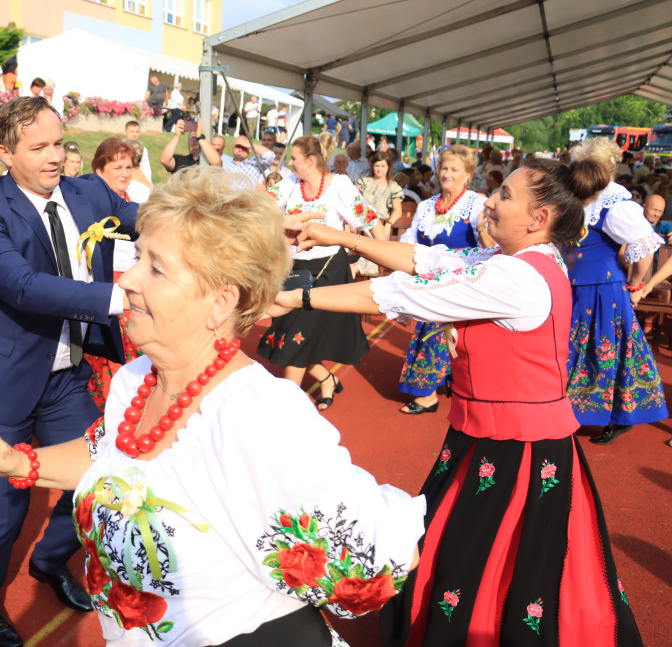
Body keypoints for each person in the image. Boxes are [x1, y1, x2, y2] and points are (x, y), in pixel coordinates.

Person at [0, 167, 425, 646]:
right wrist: (19, 461)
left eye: (155, 267)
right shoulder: (136, 380)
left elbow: (373, 563)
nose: (126, 280)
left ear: (219, 302)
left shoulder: (256, 413)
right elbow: (109, 454)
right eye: (136, 258)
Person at [273, 159, 645, 647]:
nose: (491, 200)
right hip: (492, 438)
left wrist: (296, 299)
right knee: (470, 550)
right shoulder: (521, 263)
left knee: (484, 556)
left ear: (538, 218)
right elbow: (426, 261)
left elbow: (406, 293)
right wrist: (345, 239)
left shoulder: (519, 278)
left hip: (516, 450)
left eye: (506, 196)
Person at [0, 96, 140, 647]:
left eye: (59, 143)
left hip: (65, 377)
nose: (56, 157)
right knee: (2, 513)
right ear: (5, 153)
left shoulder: (88, 191)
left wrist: (211, 223)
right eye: (40, 148)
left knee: (96, 485)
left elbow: (143, 219)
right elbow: (21, 286)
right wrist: (121, 298)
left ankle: (49, 562)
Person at [259, 135, 378, 410]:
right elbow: (260, 208)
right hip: (294, 269)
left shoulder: (339, 184)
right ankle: (326, 379)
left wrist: (387, 258)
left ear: (310, 161)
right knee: (295, 337)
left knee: (296, 339)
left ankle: (287, 407)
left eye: (294, 159)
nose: (289, 163)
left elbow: (367, 218)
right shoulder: (289, 184)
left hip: (327, 272)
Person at [564, 138, 667, 444]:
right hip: (574, 286)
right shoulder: (579, 195)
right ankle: (572, 412)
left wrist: (636, 285)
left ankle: (616, 416)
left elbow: (644, 246)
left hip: (602, 290)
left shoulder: (616, 201)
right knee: (578, 348)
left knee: (607, 351)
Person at [397, 145, 489, 414]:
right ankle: (428, 393)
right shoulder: (426, 206)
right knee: (431, 333)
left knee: (459, 340)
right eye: (444, 168)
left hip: (463, 283)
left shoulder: (476, 204)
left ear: (468, 174)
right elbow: (409, 240)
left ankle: (436, 390)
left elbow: (488, 246)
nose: (447, 174)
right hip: (430, 282)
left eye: (454, 169)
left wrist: (483, 227)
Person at [81, 138, 147, 412]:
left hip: (133, 288)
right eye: (117, 167)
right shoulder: (84, 201)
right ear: (99, 170)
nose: (124, 173)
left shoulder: (141, 196)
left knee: (135, 363)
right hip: (98, 288)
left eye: (128, 167)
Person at [357, 151, 406, 239]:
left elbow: (397, 210)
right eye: (377, 166)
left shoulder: (393, 187)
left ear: (388, 167)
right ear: (372, 166)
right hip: (361, 225)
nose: (379, 169)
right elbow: (354, 202)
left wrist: (389, 224)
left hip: (381, 226)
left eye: (383, 166)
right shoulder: (364, 181)